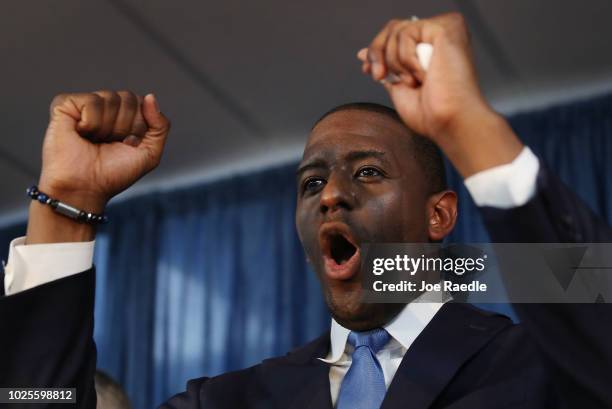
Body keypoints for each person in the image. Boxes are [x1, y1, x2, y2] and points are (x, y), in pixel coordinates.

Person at [1, 12, 611, 409]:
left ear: (440, 217)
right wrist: (69, 206)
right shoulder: (233, 399)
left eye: (368, 172)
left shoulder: (535, 363)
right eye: (310, 181)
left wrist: (470, 129)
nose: (330, 194)